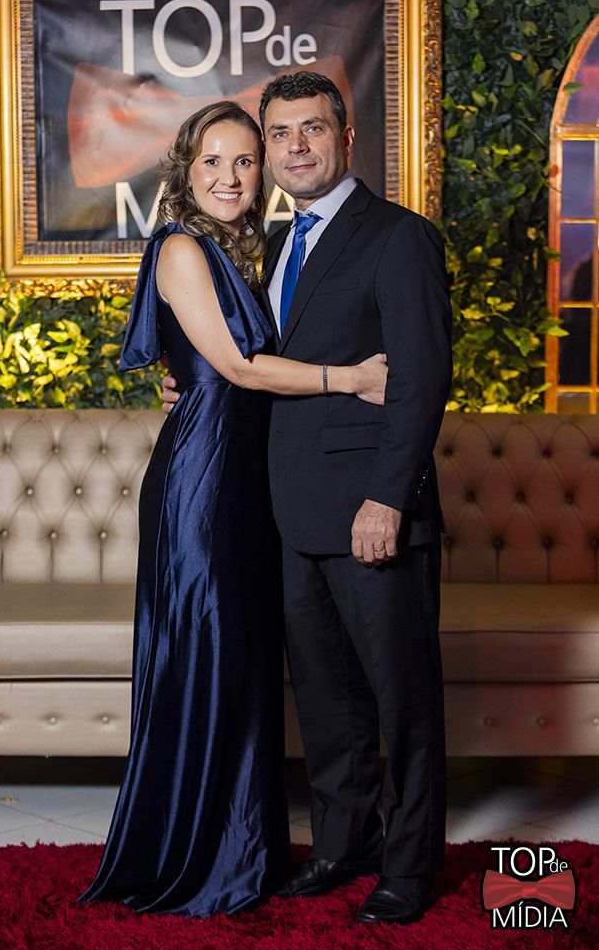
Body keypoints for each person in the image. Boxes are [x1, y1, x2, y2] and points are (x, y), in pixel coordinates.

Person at [79, 100, 388, 918]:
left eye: (244, 161)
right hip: (202, 484)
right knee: (207, 655)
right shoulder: (182, 247)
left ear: (261, 174)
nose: (230, 176)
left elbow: (210, 364)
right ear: (184, 171)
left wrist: (185, 375)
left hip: (245, 481)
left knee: (241, 662)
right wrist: (352, 378)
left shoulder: (251, 250)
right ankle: (197, 857)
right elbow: (242, 369)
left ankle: (239, 849)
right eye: (212, 162)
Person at [163, 73, 452, 925]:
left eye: (312, 129)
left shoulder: (397, 236)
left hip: (369, 511)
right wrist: (187, 387)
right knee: (326, 700)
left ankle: (409, 865)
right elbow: (251, 365)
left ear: (345, 137)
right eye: (280, 134)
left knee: (402, 699)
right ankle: (342, 844)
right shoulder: (275, 244)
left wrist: (387, 500)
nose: (295, 147)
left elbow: (420, 380)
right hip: (286, 512)